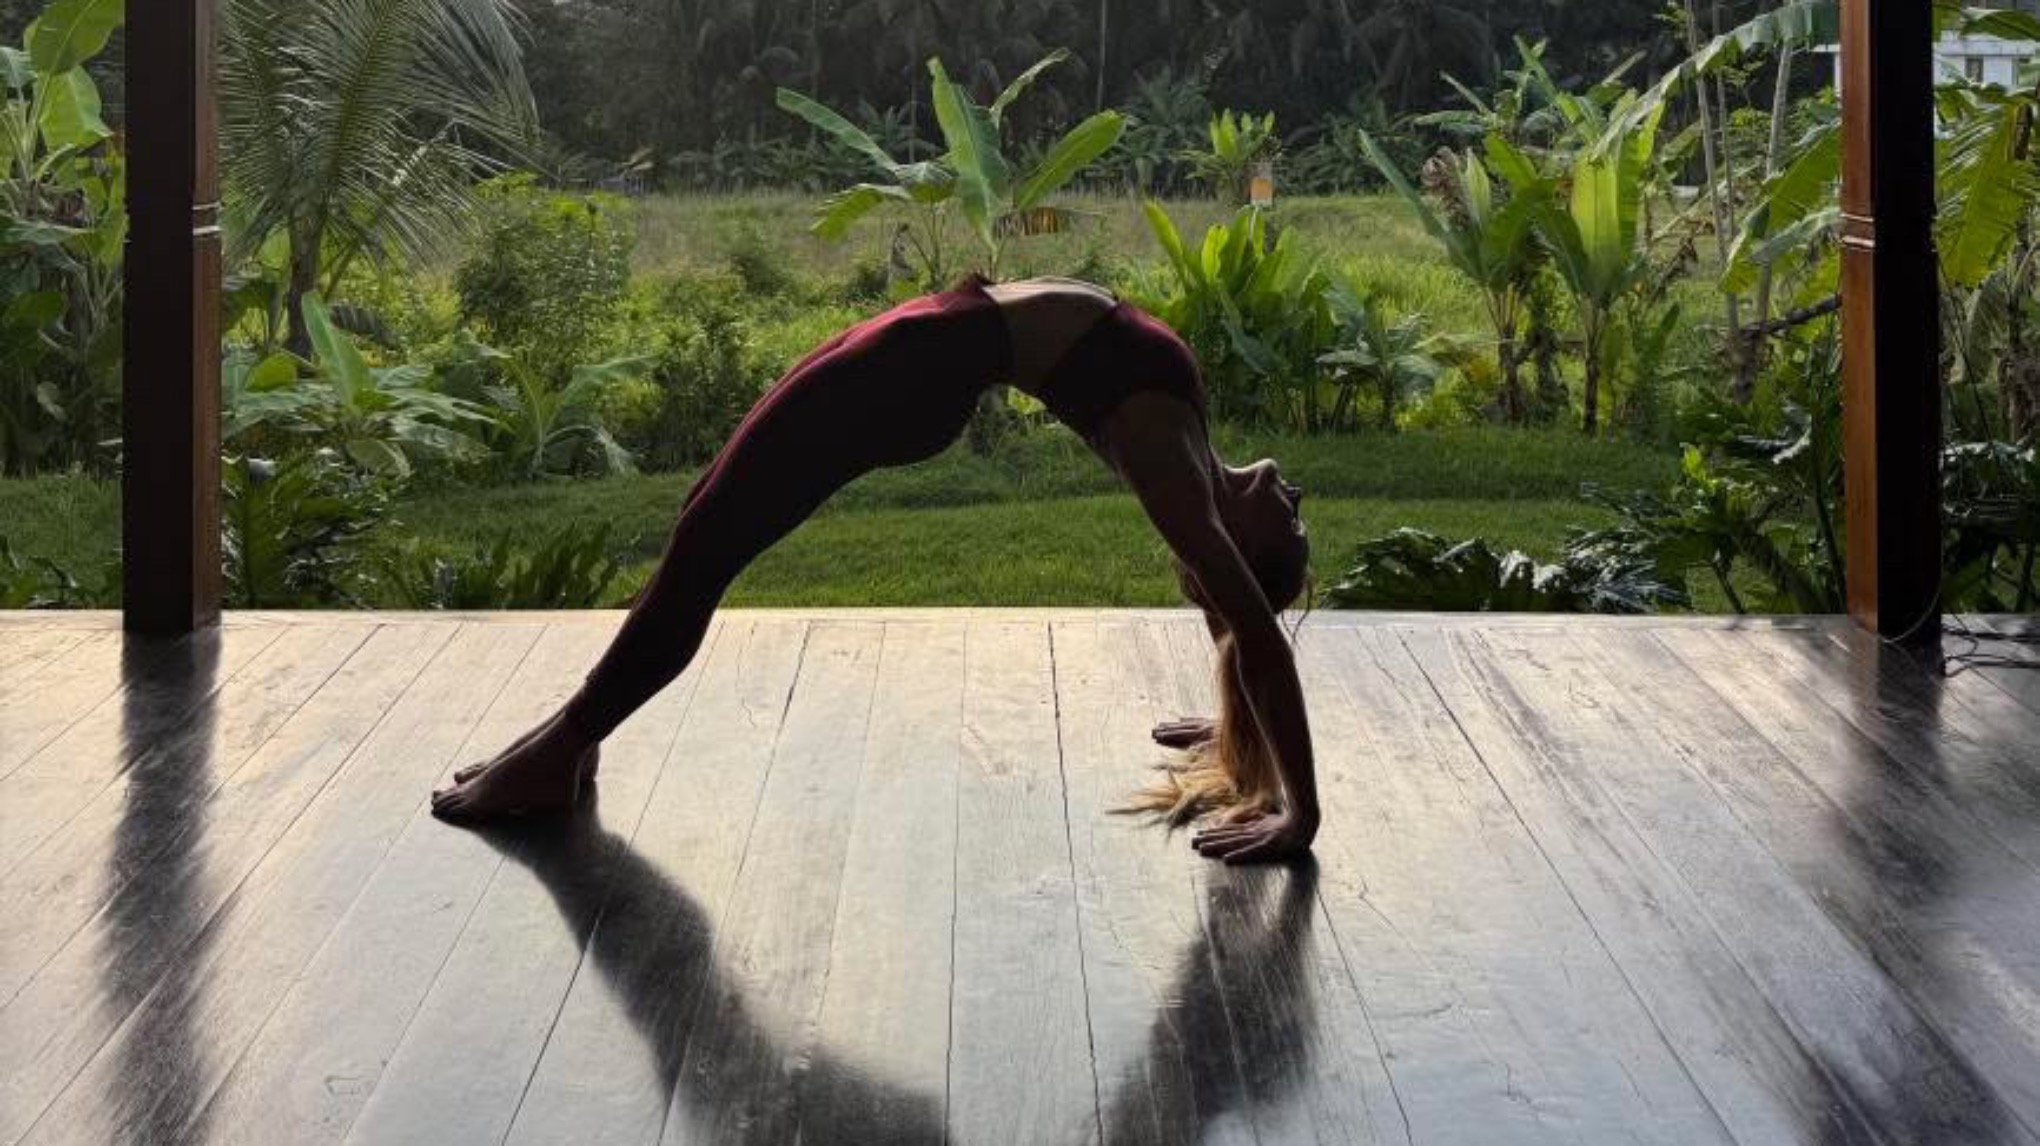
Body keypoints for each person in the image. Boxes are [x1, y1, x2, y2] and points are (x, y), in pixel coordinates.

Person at [431, 273, 1318, 863]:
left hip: (914, 371)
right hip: (921, 338)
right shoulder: (1197, 465)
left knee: (706, 545)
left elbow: (1255, 634)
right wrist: (1232, 724)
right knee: (703, 520)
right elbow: (1235, 622)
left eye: (1294, 530)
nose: (1299, 500)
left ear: (1244, 549)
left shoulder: (1178, 478)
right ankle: (572, 741)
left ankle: (559, 752)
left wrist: (1299, 816)